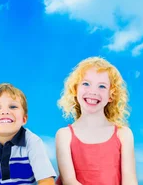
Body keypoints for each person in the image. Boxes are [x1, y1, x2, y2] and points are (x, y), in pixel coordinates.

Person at [55, 56, 137, 185]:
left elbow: (130, 181)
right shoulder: (64, 135)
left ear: (111, 95)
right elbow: (69, 181)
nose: (93, 91)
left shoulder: (124, 134)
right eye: (86, 84)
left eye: (102, 86)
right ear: (75, 90)